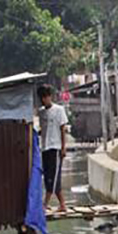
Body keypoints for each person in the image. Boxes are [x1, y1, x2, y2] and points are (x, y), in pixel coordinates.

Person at [37, 84, 69, 212]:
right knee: (48, 176)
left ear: (50, 96)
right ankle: (62, 205)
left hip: (55, 148)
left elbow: (63, 129)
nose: (44, 100)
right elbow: (43, 130)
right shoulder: (41, 112)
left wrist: (63, 147)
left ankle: (45, 204)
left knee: (54, 177)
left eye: (46, 97)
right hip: (45, 148)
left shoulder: (59, 110)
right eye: (42, 98)